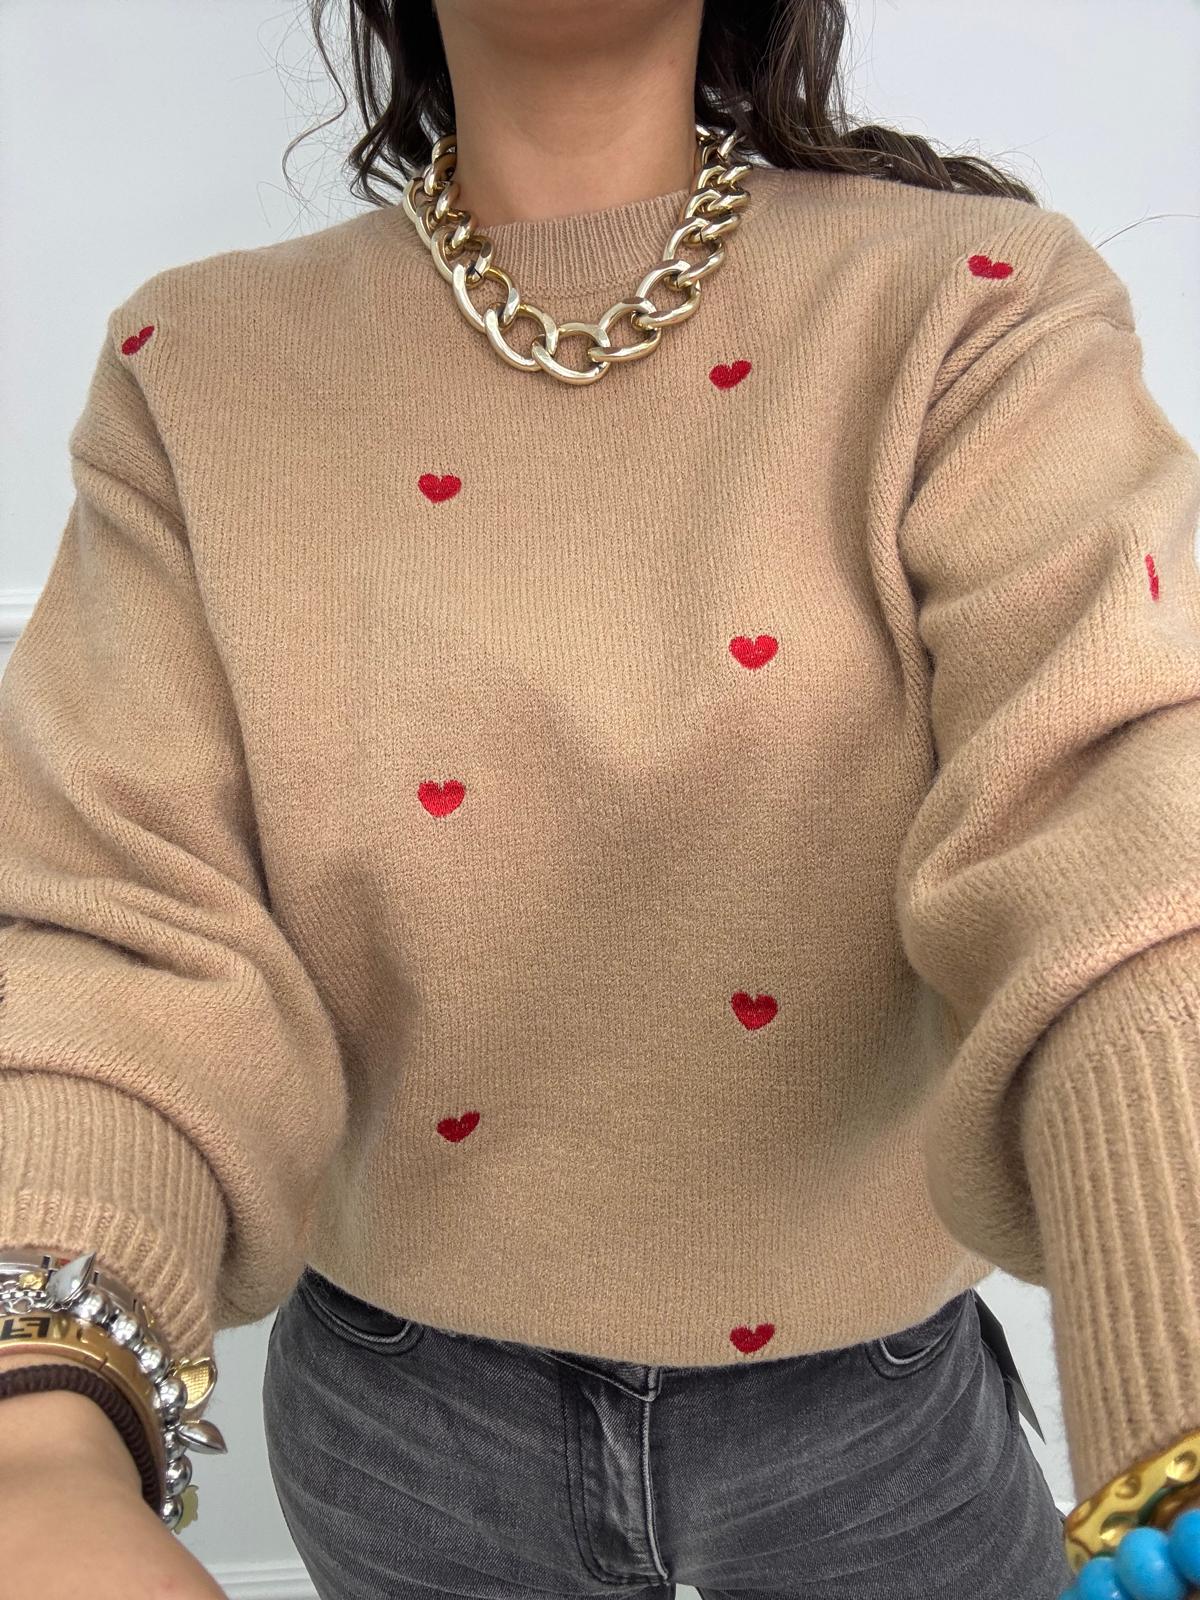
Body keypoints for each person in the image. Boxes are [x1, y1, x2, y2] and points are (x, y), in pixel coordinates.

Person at [3, 3, 1200, 1598]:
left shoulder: (967, 304)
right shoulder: (201, 367)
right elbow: (125, 917)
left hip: (872, 1416)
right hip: (405, 1426)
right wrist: (35, 1430)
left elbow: (1114, 807)